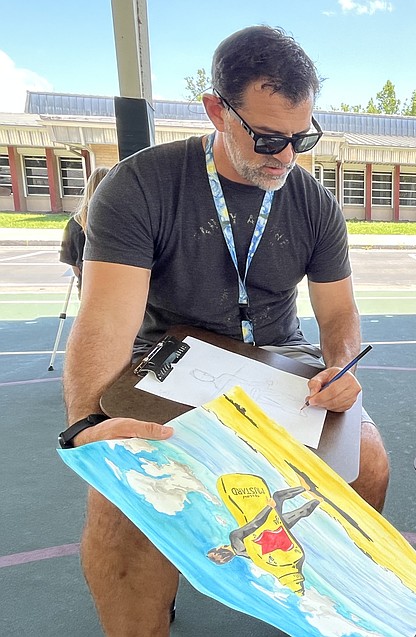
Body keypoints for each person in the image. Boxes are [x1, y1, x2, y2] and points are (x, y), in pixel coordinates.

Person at [61, 26, 389, 636]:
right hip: (162, 362)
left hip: (279, 364)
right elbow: (107, 317)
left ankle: (319, 600)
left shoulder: (313, 202)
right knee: (121, 506)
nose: (285, 156)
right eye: (267, 137)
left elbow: (339, 316)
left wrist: (341, 367)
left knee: (368, 465)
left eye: (300, 139)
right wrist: (88, 423)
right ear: (216, 110)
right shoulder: (139, 186)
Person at [58, 166, 109, 294]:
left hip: (87, 286)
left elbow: (72, 262)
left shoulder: (74, 223)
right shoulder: (117, 222)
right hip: (114, 286)